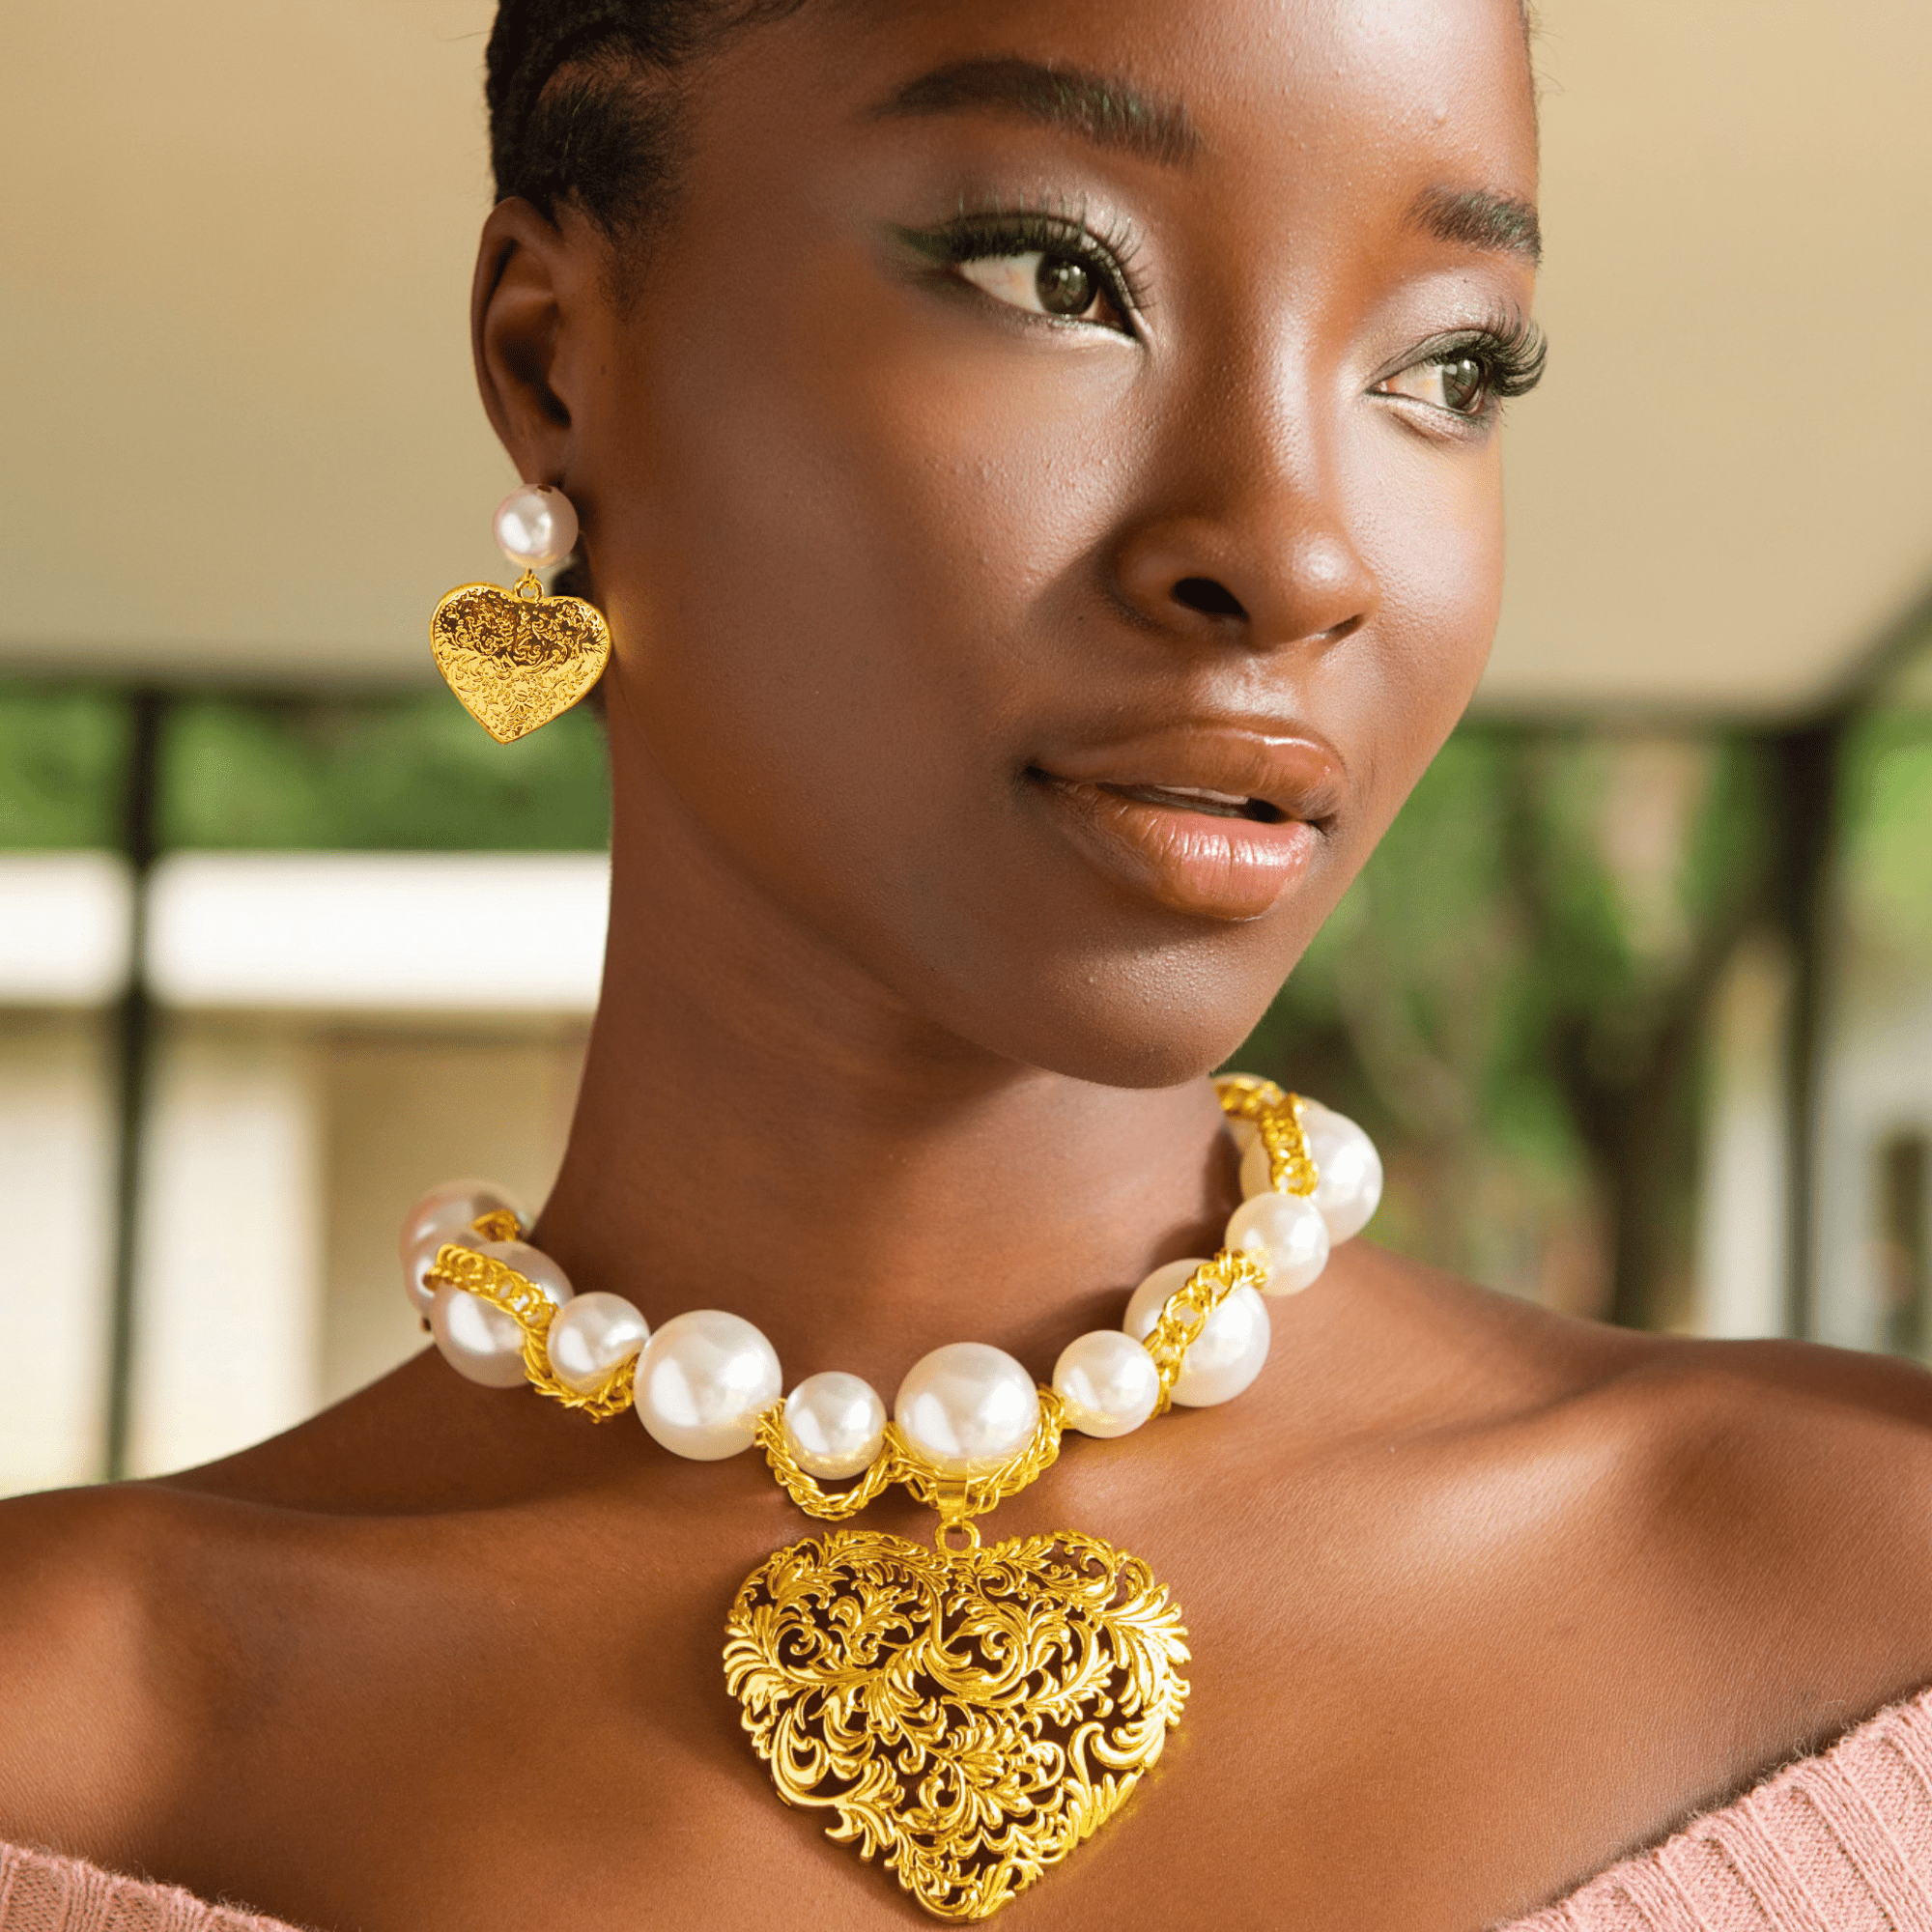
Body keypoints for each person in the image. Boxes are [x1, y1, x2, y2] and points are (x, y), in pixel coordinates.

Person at [6, 2, 1932, 1927]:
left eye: (1449, 363)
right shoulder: (67, 1744)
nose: (1291, 548)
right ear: (554, 360)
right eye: (1054, 274)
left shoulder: (1877, 1606)